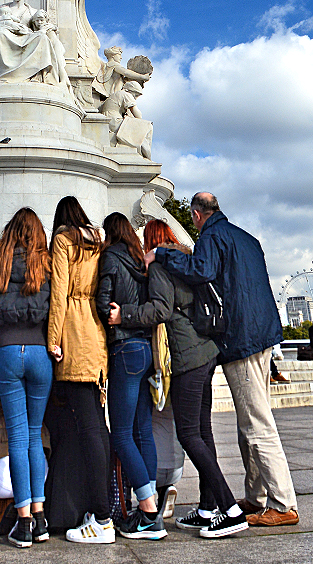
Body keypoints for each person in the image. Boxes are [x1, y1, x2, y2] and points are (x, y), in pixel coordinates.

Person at [146, 193, 298, 526]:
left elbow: (202, 270)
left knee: (257, 424)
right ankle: (257, 497)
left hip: (240, 339)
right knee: (250, 423)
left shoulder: (211, 237)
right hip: (261, 334)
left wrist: (160, 255)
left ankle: (283, 504)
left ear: (197, 215)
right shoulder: (246, 237)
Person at [113, 218, 248, 539]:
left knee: (189, 435)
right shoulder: (187, 259)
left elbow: (160, 310)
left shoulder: (160, 265)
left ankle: (230, 510)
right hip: (207, 351)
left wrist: (126, 314)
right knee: (204, 432)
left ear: (150, 242)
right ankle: (206, 508)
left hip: (187, 357)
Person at [46, 196, 114, 544]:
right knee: (98, 428)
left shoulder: (63, 240)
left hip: (72, 328)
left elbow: (59, 292)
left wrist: (53, 338)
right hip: (95, 332)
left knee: (88, 429)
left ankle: (102, 515)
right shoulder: (97, 241)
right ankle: (106, 506)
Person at [96, 212, 166, 541]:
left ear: (110, 232)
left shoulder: (110, 255)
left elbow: (102, 302)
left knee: (121, 434)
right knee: (142, 431)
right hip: (146, 349)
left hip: (124, 348)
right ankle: (149, 509)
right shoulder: (142, 258)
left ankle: (149, 511)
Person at [0, 207, 53, 547]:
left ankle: (24, 519)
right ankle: (41, 515)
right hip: (41, 352)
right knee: (33, 434)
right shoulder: (46, 264)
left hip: (7, 352)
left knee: (17, 438)